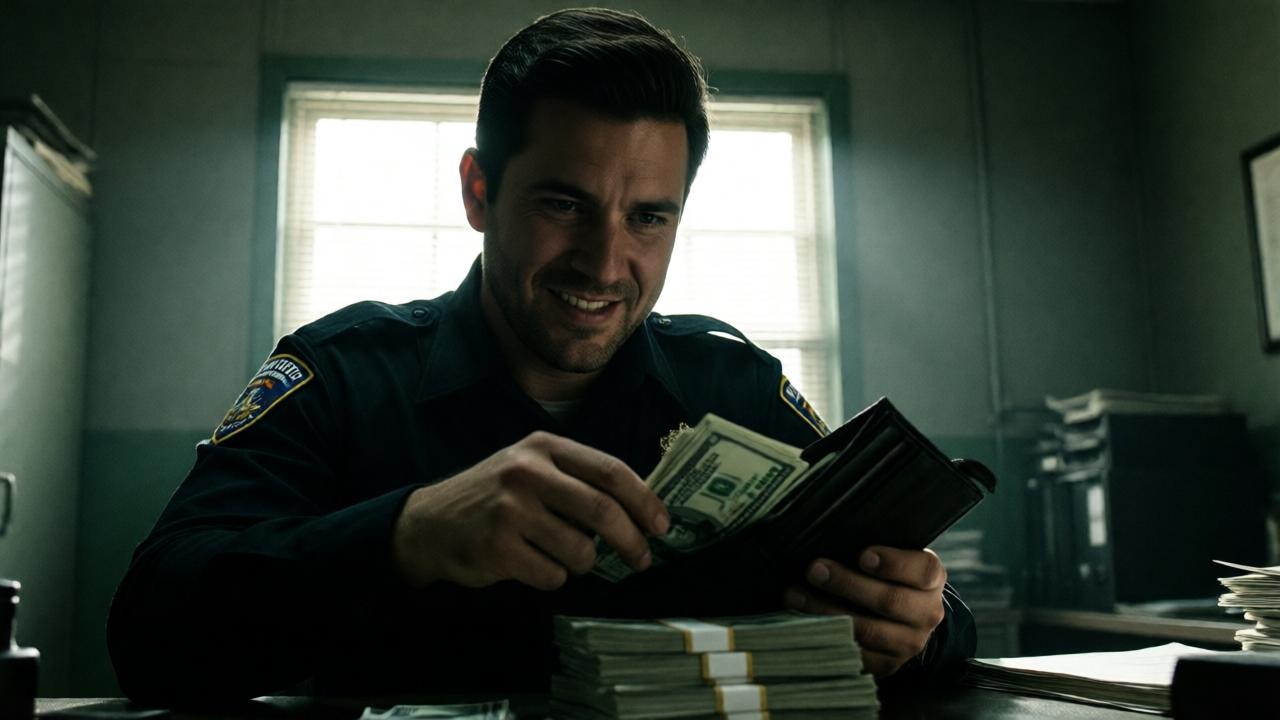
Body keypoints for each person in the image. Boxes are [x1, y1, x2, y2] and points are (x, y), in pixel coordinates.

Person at [107, 7, 974, 705]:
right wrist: (408, 533)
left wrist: (919, 627)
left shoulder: (736, 385)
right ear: (479, 192)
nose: (603, 265)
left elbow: (924, 619)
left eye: (648, 218)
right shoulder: (340, 375)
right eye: (564, 204)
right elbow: (148, 631)